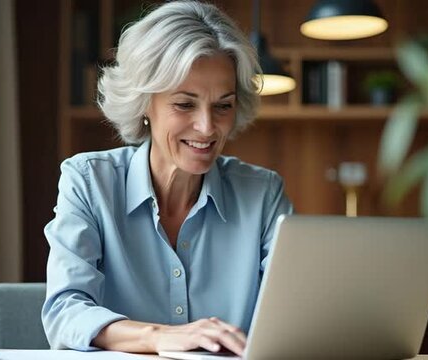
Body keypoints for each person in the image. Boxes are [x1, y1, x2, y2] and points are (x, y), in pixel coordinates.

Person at [42, 1, 293, 355]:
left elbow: (293, 317)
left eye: (223, 105)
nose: (207, 128)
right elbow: (65, 312)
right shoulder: (88, 181)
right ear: (145, 102)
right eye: (185, 104)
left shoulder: (263, 194)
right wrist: (159, 336)